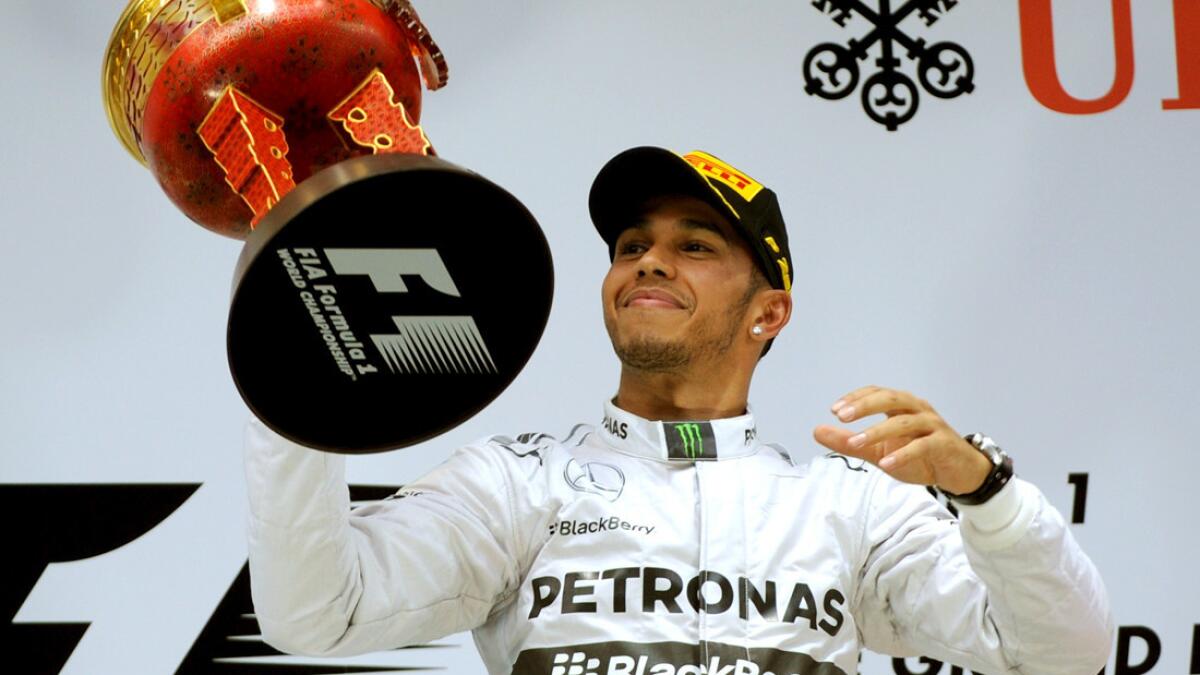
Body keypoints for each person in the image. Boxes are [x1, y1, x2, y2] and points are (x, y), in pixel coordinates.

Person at [244, 147, 1113, 675]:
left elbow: (1064, 652)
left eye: (694, 245)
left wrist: (987, 493)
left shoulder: (847, 505)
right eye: (632, 247)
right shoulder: (514, 484)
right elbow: (316, 613)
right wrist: (294, 377)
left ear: (767, 312)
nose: (650, 261)